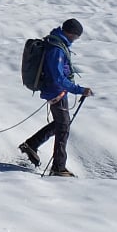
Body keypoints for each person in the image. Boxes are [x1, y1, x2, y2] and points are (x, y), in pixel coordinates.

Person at [19, 18, 93, 176]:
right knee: (63, 127)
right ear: (71, 33)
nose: (76, 39)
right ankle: (58, 167)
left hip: (57, 91)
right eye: (76, 35)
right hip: (56, 92)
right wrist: (79, 90)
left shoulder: (57, 43)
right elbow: (57, 77)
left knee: (62, 124)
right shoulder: (57, 49)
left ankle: (32, 144)